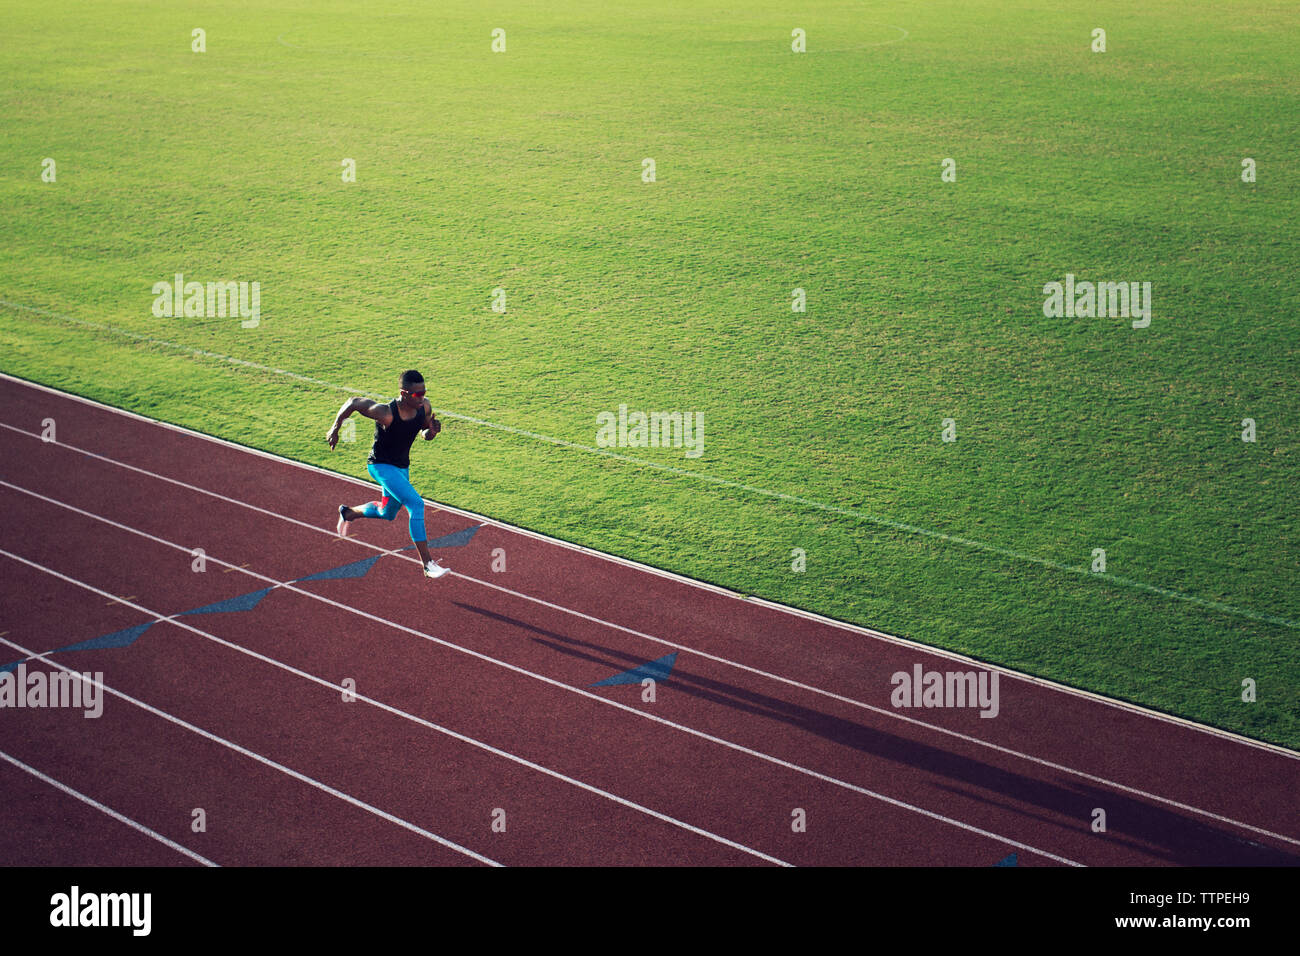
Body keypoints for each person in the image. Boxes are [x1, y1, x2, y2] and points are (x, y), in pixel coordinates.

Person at [326, 369, 450, 579]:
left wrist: (432, 431)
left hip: (401, 467)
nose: (422, 397)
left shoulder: (424, 406)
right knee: (416, 505)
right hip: (381, 465)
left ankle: (348, 513)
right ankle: (428, 564)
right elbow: (353, 402)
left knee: (387, 513)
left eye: (424, 392)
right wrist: (335, 429)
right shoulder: (386, 413)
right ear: (404, 394)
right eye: (417, 394)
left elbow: (424, 434)